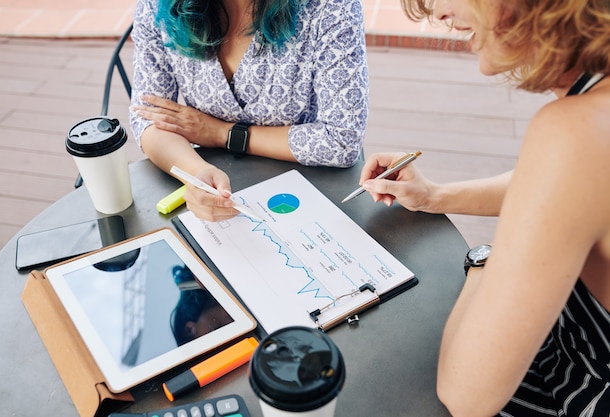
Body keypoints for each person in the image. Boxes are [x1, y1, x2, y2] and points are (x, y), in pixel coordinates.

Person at [358, 0, 610, 415]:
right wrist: (435, 196)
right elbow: (555, 185)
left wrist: (486, 259)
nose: (435, 13)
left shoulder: (573, 134)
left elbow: (466, 395)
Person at [129, 0, 368, 221]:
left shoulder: (331, 7)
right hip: (217, 190)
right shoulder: (156, 5)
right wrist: (197, 172)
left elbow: (342, 141)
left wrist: (222, 133)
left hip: (313, 191)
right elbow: (149, 118)